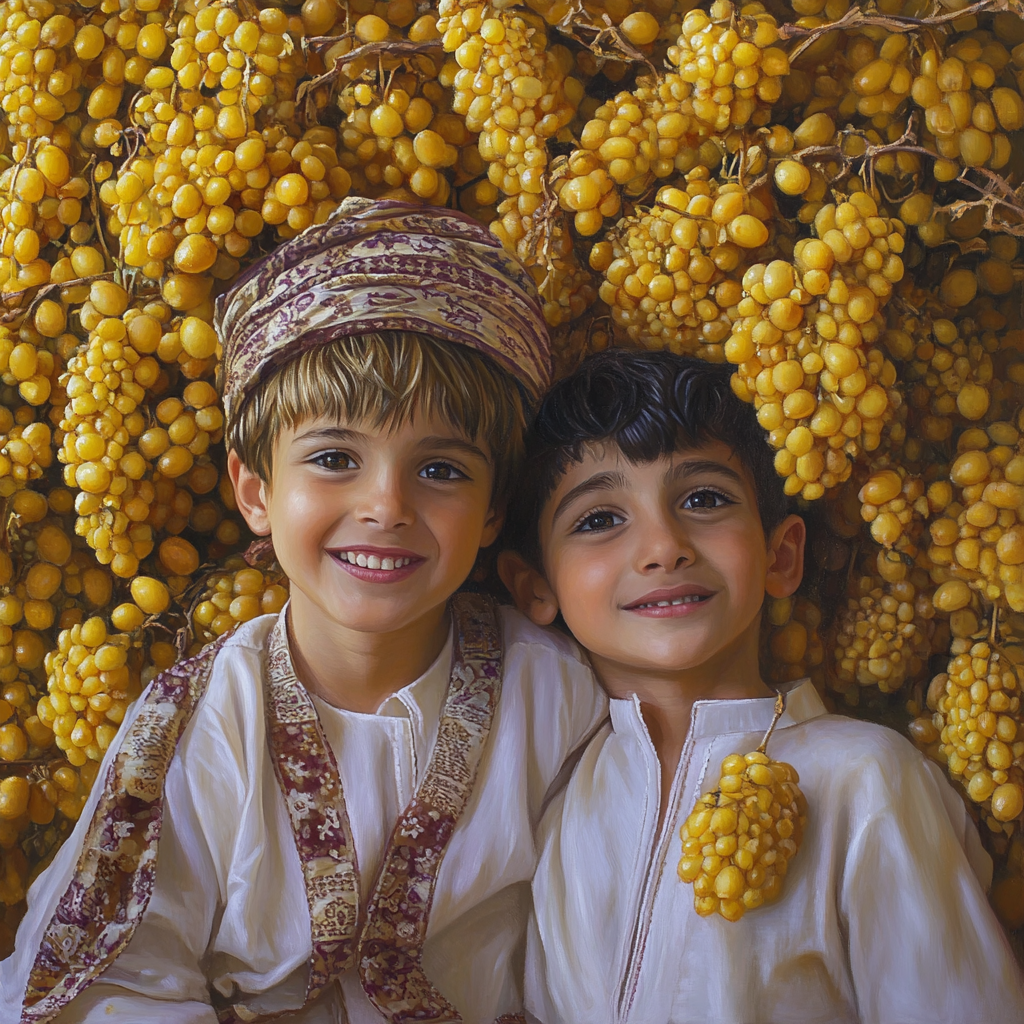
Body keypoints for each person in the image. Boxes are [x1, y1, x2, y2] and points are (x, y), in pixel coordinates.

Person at [0, 199, 606, 1024]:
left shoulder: (560, 697)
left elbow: (598, 960)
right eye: (333, 459)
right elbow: (113, 982)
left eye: (441, 471)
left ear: (496, 509)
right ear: (256, 491)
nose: (385, 505)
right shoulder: (200, 720)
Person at [499, 348, 1024, 1024]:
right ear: (535, 587)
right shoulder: (550, 788)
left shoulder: (865, 780)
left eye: (704, 499)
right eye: (599, 519)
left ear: (781, 556)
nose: (663, 546)